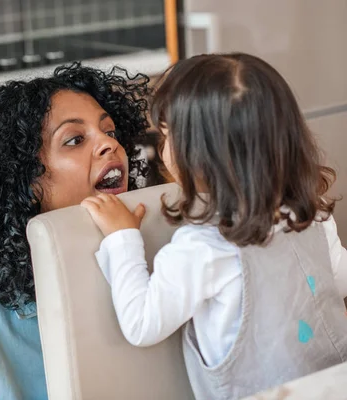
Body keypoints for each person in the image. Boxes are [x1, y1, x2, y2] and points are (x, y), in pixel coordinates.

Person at [81, 53, 347, 400]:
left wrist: (122, 237)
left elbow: (141, 324)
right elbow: (337, 283)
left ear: (196, 153)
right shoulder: (311, 216)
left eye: (165, 135)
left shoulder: (202, 247)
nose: (162, 148)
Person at [0, 63, 156, 399]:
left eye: (109, 132)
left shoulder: (139, 260)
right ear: (27, 182)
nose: (111, 146)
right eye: (75, 139)